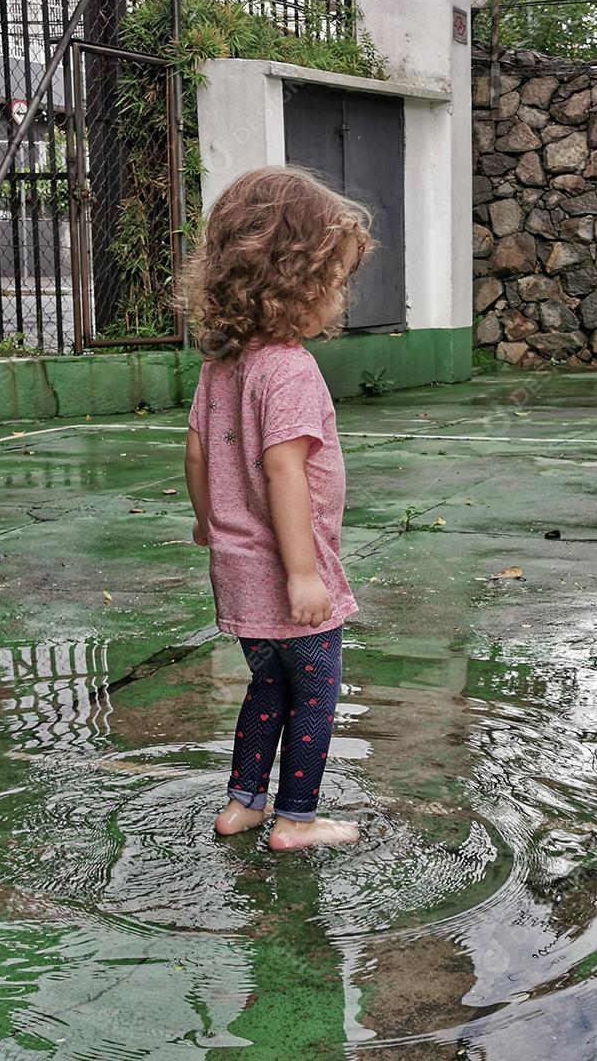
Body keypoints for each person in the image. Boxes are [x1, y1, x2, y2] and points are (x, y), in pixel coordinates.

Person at [183, 165, 371, 851]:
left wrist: (208, 523)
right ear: (296, 282)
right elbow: (283, 468)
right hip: (287, 572)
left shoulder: (222, 365)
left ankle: (242, 804)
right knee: (316, 698)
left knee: (267, 688)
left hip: (235, 567)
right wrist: (303, 573)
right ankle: (295, 819)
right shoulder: (287, 369)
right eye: (334, 281)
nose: (339, 297)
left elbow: (198, 453)